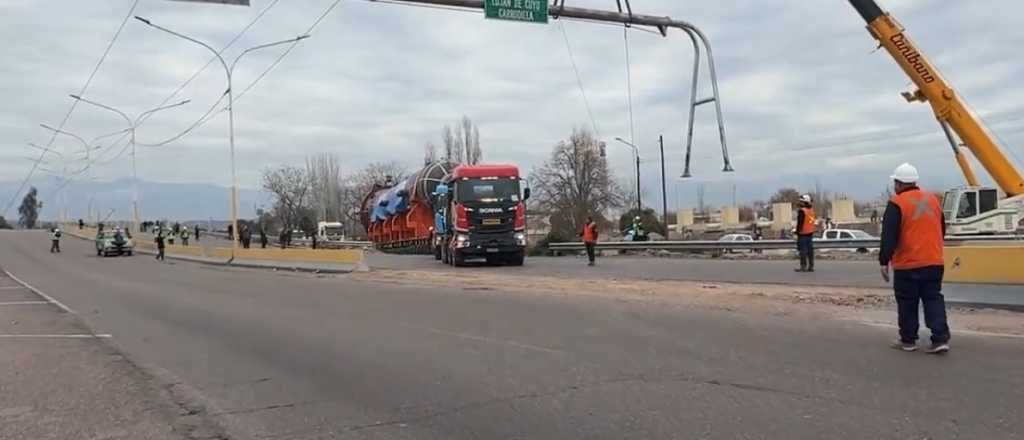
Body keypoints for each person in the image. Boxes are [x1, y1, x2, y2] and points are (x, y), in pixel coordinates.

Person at [880, 163, 950, 354]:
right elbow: (941, 229)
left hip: (908, 263)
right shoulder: (933, 200)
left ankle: (908, 340)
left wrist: (883, 261)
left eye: (895, 182)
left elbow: (889, 235)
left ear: (899, 183)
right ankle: (940, 338)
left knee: (907, 302)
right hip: (934, 261)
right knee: (933, 298)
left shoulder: (897, 202)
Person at [795, 194, 816, 272]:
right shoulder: (811, 211)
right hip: (810, 233)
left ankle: (803, 266)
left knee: (803, 251)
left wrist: (797, 232)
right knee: (810, 251)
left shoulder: (802, 211)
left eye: (801, 201)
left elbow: (800, 223)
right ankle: (811, 266)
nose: (800, 203)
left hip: (802, 234)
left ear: (804, 202)